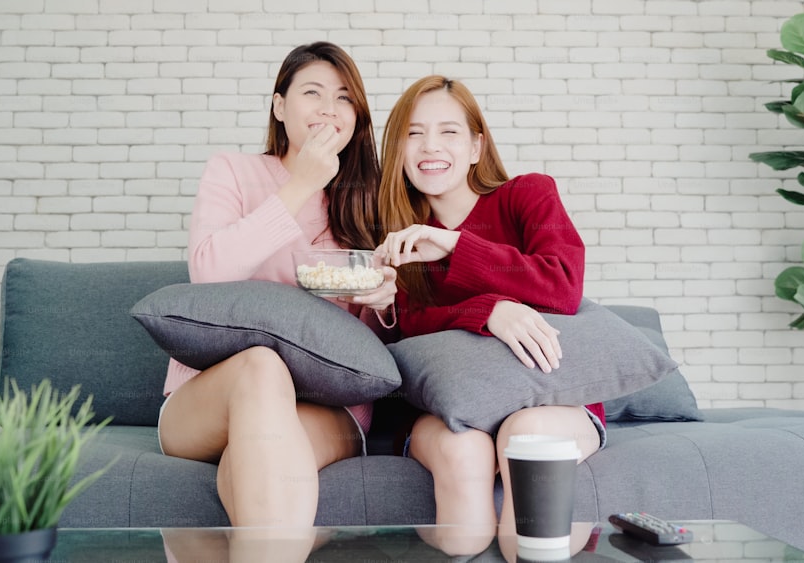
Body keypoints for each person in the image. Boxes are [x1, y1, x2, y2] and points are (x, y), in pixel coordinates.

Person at [157, 42, 397, 546]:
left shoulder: (369, 198)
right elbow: (208, 274)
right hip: (209, 397)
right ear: (280, 105)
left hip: (328, 408)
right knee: (262, 366)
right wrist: (301, 185)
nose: (330, 108)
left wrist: (383, 304)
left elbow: (371, 349)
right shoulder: (232, 171)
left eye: (344, 98)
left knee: (256, 467)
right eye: (313, 92)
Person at [375, 75, 606, 557]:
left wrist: (457, 246)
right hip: (445, 410)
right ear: (396, 149)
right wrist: (490, 311)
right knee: (465, 451)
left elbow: (562, 285)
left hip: (548, 399)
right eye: (413, 133)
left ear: (477, 145)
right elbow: (411, 326)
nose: (429, 146)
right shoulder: (398, 237)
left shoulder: (528, 195)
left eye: (448, 132)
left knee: (528, 437)